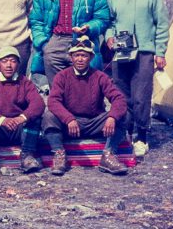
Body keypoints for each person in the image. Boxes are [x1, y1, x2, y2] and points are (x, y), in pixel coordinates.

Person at [105, 0, 170, 158]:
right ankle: (125, 134)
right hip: (122, 52)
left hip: (144, 51)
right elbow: (110, 22)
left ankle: (141, 136)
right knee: (121, 95)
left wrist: (160, 51)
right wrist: (108, 37)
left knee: (141, 96)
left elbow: (161, 23)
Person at [43, 36, 128, 176]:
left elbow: (118, 98)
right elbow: (53, 101)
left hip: (94, 123)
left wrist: (112, 117)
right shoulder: (62, 76)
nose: (80, 59)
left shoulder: (100, 76)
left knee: (124, 114)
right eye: (76, 55)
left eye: (84, 55)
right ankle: (59, 154)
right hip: (71, 124)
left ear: (91, 57)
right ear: (71, 57)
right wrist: (68, 119)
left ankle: (108, 154)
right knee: (49, 116)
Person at [29, 0, 110, 86]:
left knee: (84, 85)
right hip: (55, 40)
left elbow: (103, 18)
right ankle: (59, 106)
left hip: (82, 40)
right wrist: (43, 44)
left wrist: (89, 27)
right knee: (57, 86)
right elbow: (36, 21)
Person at [0, 46, 44, 175]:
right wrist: (1, 120)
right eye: (4, 61)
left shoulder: (25, 82)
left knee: (35, 117)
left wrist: (21, 118)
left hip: (18, 128)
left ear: (18, 64)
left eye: (12, 61)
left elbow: (38, 103)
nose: (8, 65)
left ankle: (27, 155)